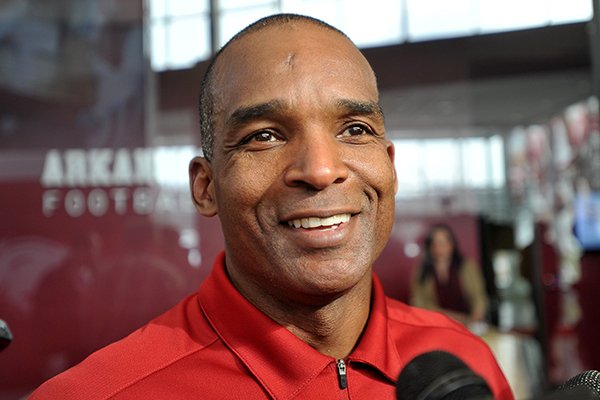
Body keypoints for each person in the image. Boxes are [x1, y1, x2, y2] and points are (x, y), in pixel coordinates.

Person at [30, 14, 514, 399]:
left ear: (389, 166)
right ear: (206, 187)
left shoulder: (463, 365)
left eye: (354, 130)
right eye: (264, 135)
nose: (322, 170)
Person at [411, 224, 489, 326]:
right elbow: (418, 303)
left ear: (452, 245)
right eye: (434, 243)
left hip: (469, 324)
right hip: (437, 325)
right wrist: (451, 317)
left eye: (443, 243)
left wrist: (477, 315)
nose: (438, 248)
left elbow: (479, 296)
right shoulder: (422, 272)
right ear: (429, 247)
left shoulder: (467, 267)